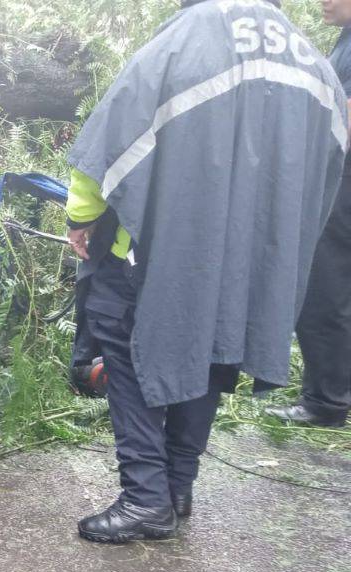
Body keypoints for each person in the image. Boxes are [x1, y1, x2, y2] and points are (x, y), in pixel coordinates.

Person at [66, 0, 347, 544]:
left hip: (159, 248)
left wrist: (82, 217)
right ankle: (176, 486)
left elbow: (115, 137)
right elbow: (331, 165)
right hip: (253, 258)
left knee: (126, 346)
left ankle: (145, 498)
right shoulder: (311, 59)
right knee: (212, 352)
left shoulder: (186, 38)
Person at [267, 0, 351, 427]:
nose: (325, 0)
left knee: (324, 290)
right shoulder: (344, 40)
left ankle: (326, 402)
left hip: (341, 187)